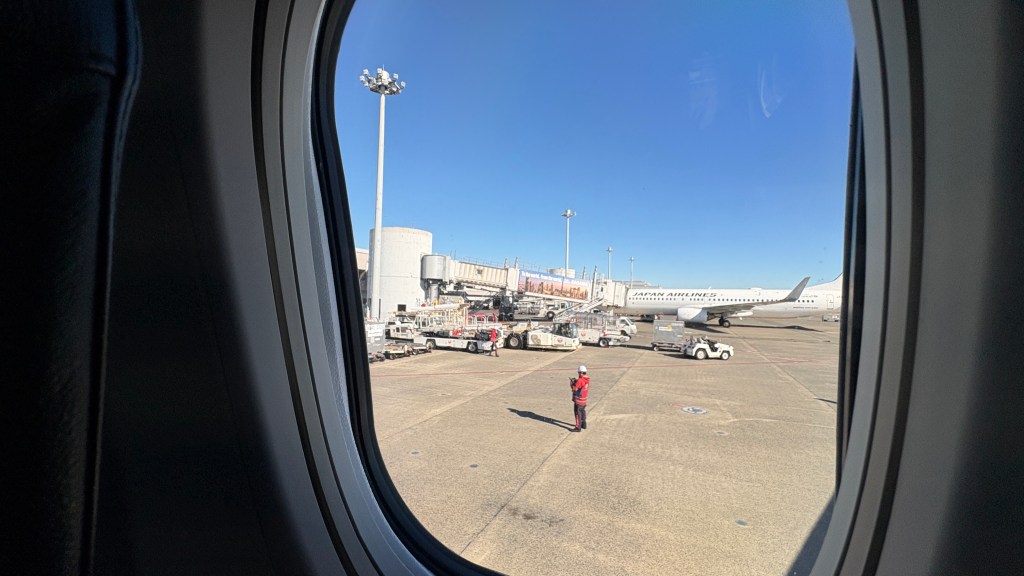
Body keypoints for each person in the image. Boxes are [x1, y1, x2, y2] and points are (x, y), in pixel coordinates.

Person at [569, 365, 590, 432]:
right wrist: (577, 381)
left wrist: (572, 384)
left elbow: (575, 389)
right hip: (584, 400)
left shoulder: (580, 381)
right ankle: (584, 424)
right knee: (583, 411)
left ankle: (578, 427)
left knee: (577, 413)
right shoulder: (587, 379)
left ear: (581, 373)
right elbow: (582, 385)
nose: (578, 374)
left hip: (579, 400)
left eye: (578, 373)